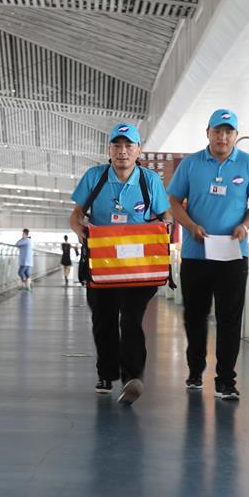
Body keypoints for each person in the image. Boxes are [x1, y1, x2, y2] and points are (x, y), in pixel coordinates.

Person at [167, 109, 249, 400]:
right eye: (217, 131)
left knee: (229, 318)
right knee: (195, 316)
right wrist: (190, 226)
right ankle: (195, 370)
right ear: (208, 132)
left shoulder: (248, 164)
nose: (222, 137)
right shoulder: (191, 163)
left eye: (228, 131)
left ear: (235, 135)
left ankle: (226, 380)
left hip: (233, 254)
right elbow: (173, 200)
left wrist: (245, 226)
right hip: (196, 253)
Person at [69, 122, 172, 405]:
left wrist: (164, 228)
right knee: (103, 320)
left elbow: (165, 216)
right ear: (109, 150)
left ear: (138, 150)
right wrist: (80, 229)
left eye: (129, 146)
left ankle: (132, 378)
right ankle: (106, 373)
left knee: (130, 318)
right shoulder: (95, 177)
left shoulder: (149, 180)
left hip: (139, 268)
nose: (122, 151)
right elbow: (76, 213)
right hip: (102, 265)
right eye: (117, 145)